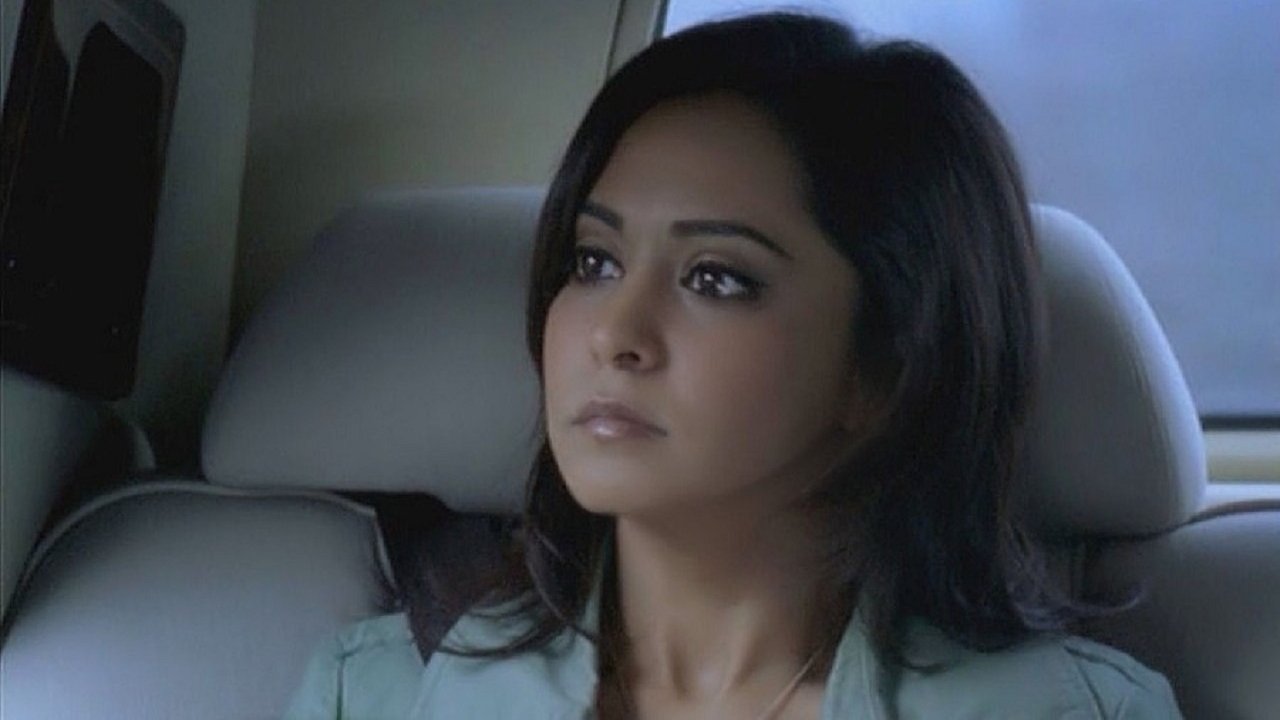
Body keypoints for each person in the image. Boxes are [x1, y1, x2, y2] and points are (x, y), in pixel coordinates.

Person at [284, 12, 1181, 719]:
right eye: (593, 263)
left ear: (882, 369)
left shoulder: (1072, 712)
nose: (615, 333)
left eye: (716, 278)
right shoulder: (373, 695)